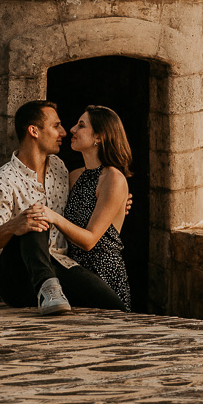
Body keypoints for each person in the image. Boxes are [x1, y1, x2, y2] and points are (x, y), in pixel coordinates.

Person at [0, 101, 126, 315]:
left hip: (59, 264)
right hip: (15, 277)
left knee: (114, 307)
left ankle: (51, 289)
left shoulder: (59, 168)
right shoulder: (3, 181)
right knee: (35, 218)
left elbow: (91, 196)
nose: (64, 132)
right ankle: (47, 288)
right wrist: (14, 226)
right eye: (56, 126)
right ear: (34, 131)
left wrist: (120, 201)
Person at [43, 106, 133, 310]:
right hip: (74, 273)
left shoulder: (113, 178)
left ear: (99, 137)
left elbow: (90, 240)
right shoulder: (74, 176)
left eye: (81, 125)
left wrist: (53, 217)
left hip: (103, 274)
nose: (72, 129)